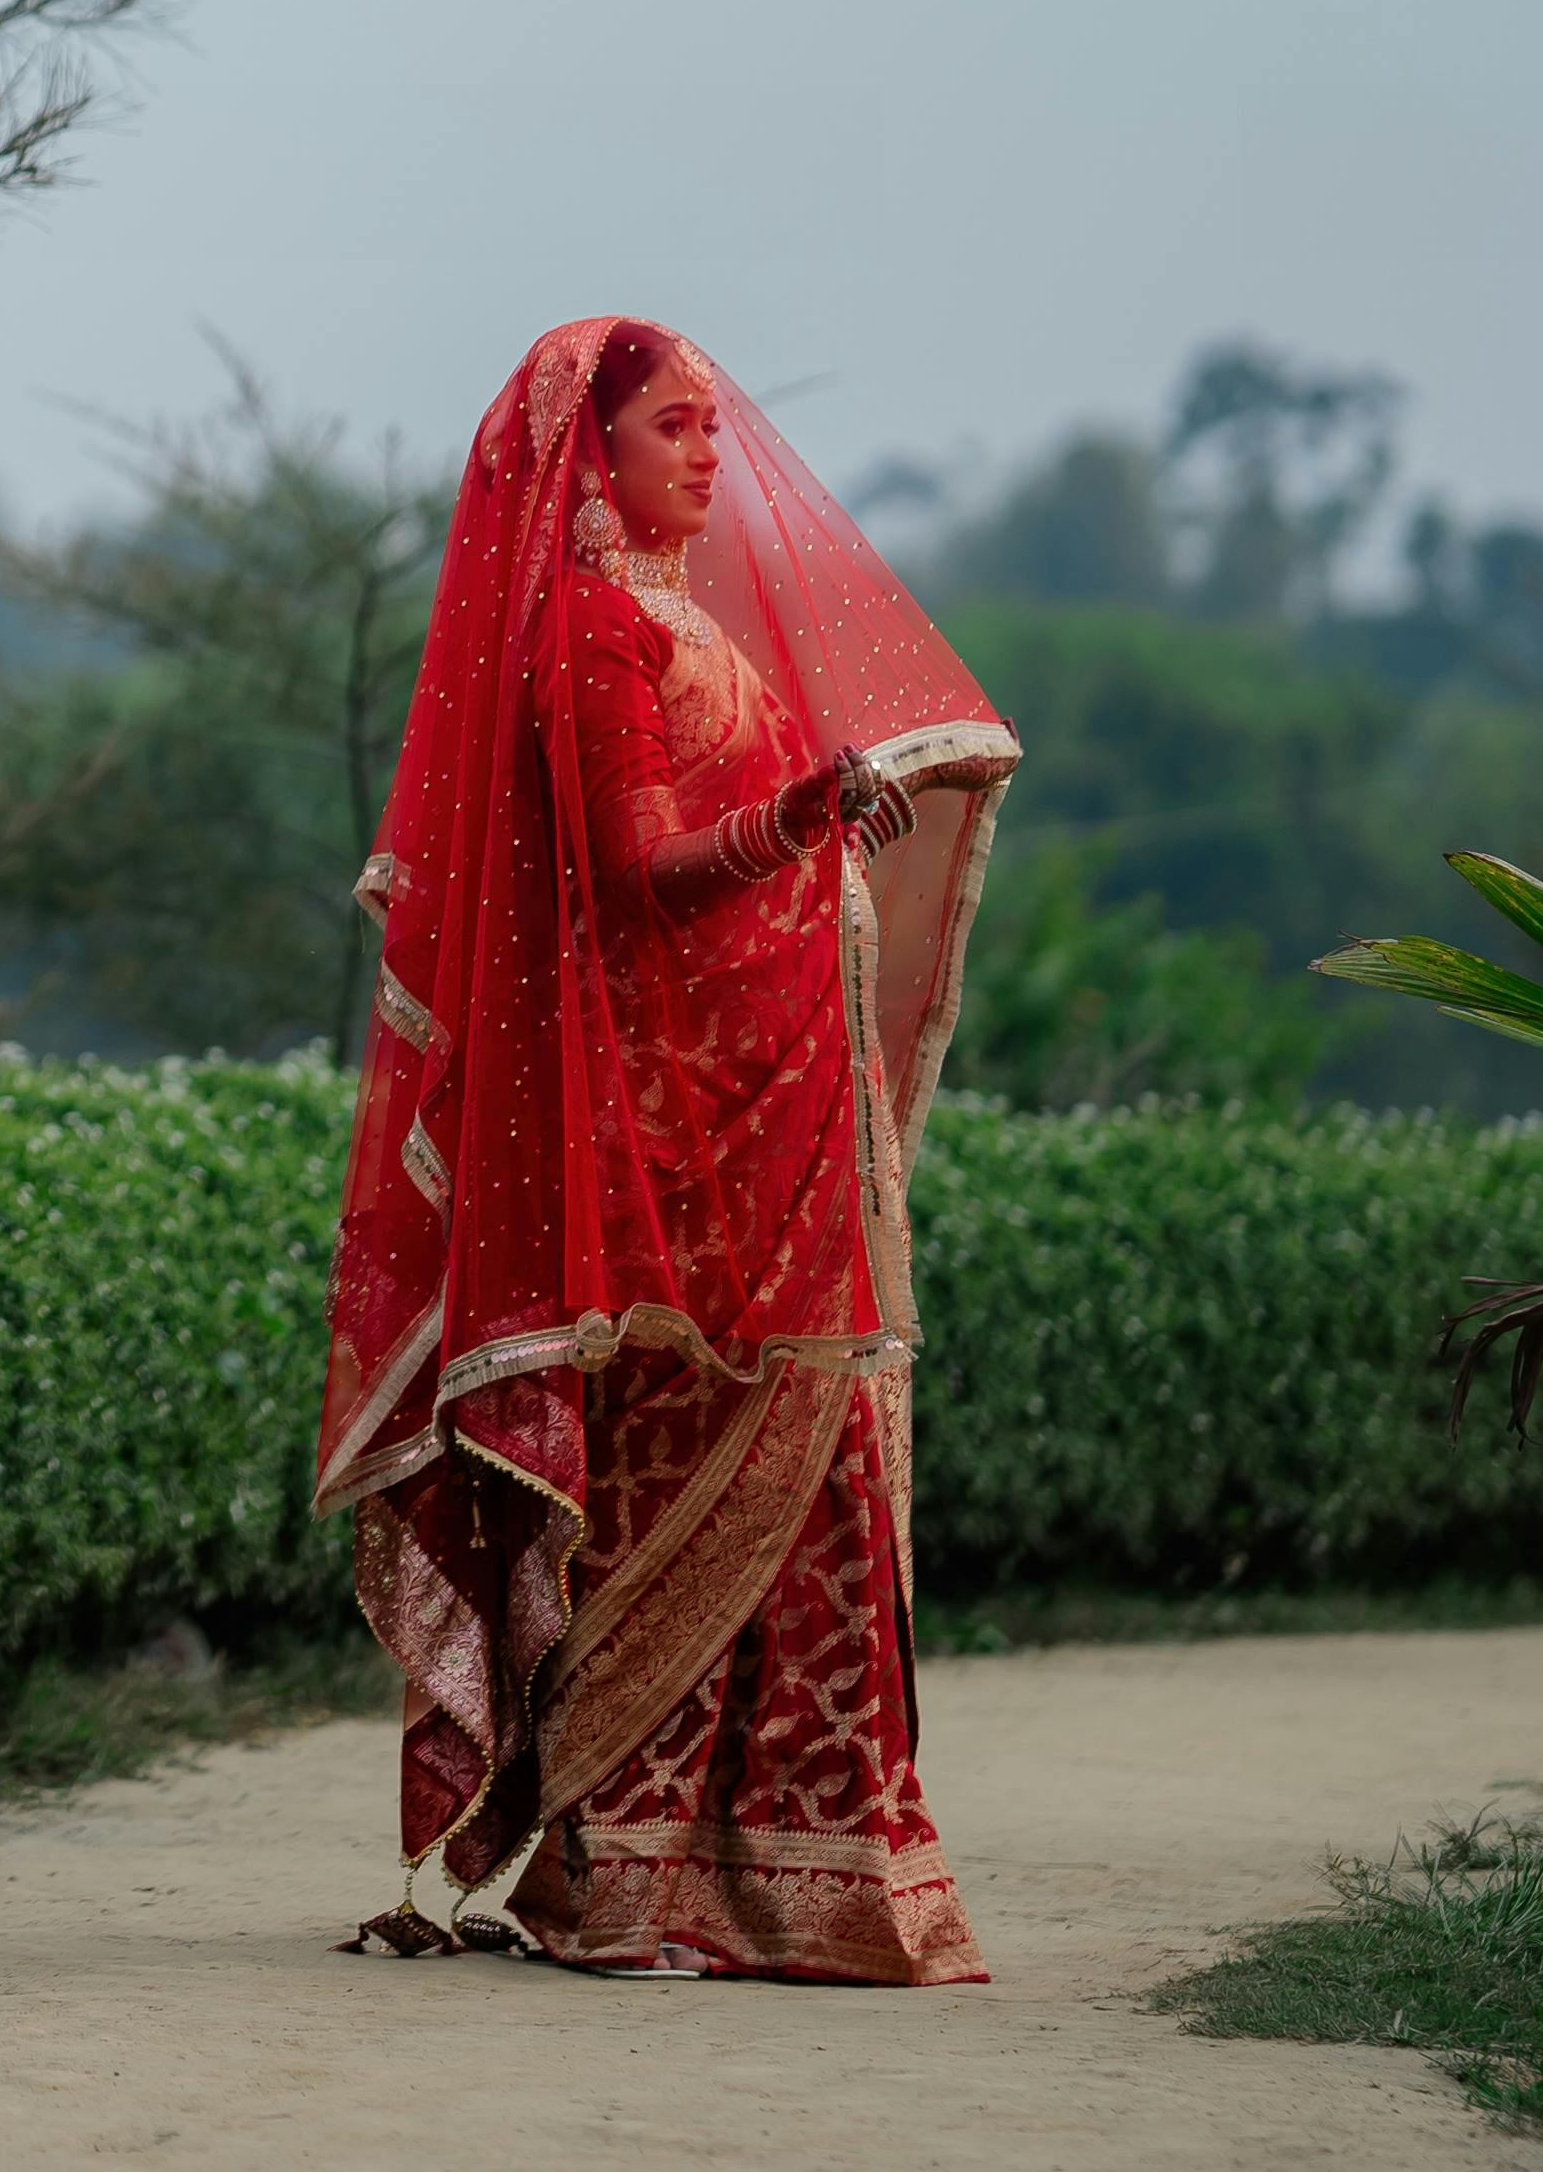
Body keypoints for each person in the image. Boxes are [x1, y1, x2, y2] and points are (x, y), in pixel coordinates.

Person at [315, 315, 1023, 1983]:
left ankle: (806, 1875)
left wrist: (828, 824)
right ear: (594, 459)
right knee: (678, 1490)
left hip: (756, 1137)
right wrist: (799, 817)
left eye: (713, 424)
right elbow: (640, 877)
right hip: (668, 1166)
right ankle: (629, 1880)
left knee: (834, 1478)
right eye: (674, 427)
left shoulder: (678, 620)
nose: (712, 452)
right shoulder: (589, 636)